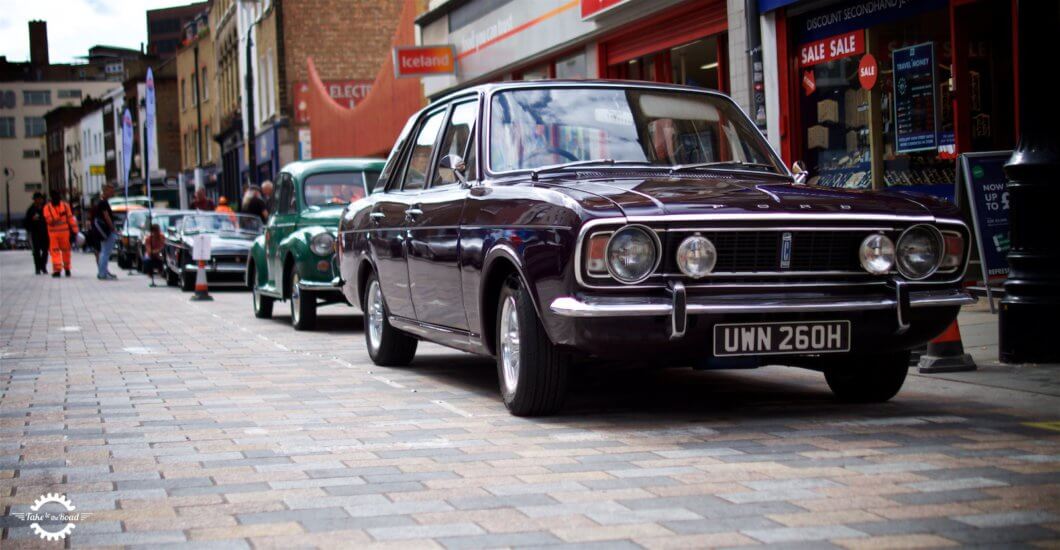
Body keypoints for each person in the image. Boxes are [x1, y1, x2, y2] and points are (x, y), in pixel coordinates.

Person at [42, 188, 78, 277]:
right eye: (55, 197)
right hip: (54, 234)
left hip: (62, 233)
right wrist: (60, 217)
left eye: (57, 196)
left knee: (65, 251)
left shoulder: (65, 206)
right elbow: (49, 220)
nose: (56, 198)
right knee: (55, 251)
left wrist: (75, 231)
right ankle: (58, 270)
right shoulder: (47, 208)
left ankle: (66, 269)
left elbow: (70, 218)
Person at [93, 184, 119, 280]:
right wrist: (112, 228)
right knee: (105, 252)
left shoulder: (101, 201)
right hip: (106, 230)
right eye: (111, 190)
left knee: (104, 252)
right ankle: (103, 273)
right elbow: (106, 216)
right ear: (106, 191)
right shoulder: (103, 202)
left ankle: (103, 272)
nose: (112, 192)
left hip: (103, 230)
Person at [23, 192, 49, 274]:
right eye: (37, 199)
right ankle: (37, 268)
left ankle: (43, 266)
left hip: (45, 233)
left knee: (45, 251)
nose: (38, 200)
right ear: (34, 200)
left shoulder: (46, 208)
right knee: (36, 252)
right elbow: (26, 222)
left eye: (40, 199)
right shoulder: (31, 209)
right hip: (35, 233)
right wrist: (32, 220)